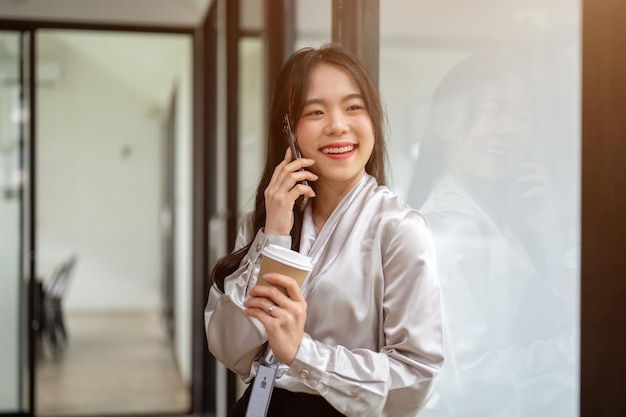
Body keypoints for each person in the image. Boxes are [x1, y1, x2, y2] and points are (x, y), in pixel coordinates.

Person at [204, 43, 444, 417]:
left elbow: (415, 380)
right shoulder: (264, 223)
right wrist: (275, 236)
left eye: (353, 107)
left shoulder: (398, 228)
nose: (337, 125)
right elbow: (230, 348)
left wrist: (302, 353)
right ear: (288, 130)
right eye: (315, 111)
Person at [407, 49, 578, 417]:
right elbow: (470, 383)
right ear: (447, 124)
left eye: (522, 117)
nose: (508, 130)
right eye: (492, 111)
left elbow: (551, 315)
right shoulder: (448, 232)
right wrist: (582, 350)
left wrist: (551, 234)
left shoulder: (497, 217)